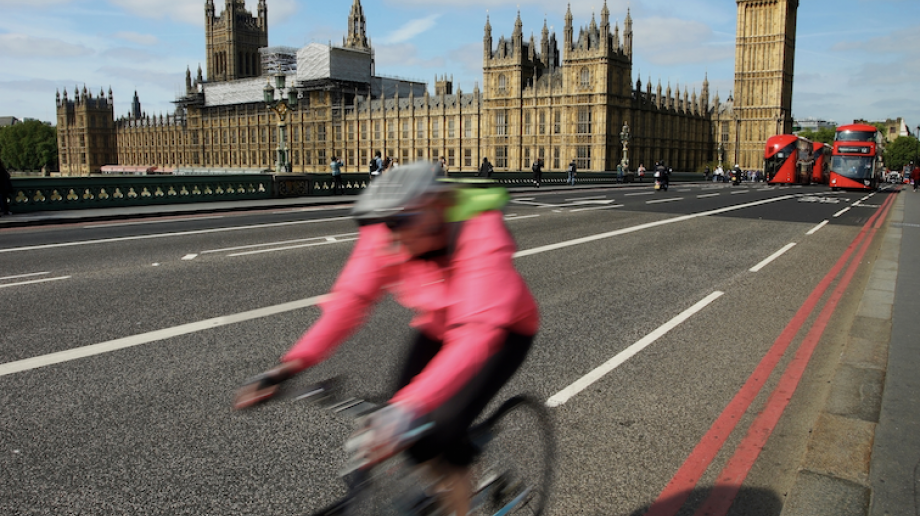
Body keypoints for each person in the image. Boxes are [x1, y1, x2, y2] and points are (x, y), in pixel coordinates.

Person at [233, 162, 538, 516]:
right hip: (440, 326)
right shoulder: (388, 231)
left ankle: (460, 499)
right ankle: (445, 480)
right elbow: (349, 302)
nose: (392, 236)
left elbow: (475, 336)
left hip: (500, 331)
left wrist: (406, 410)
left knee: (440, 431)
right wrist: (285, 368)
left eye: (401, 222)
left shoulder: (480, 232)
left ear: (435, 204)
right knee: (411, 438)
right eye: (387, 224)